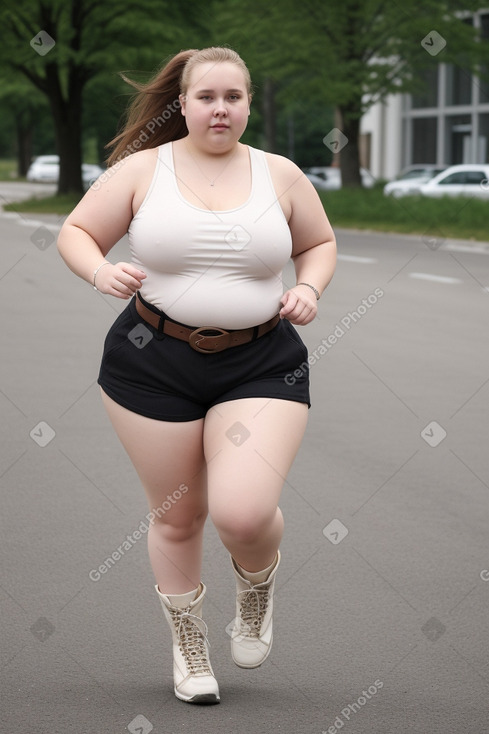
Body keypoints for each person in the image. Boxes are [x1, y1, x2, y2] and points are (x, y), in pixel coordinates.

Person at [57, 46, 336, 705]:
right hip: (150, 363)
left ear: (247, 103)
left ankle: (255, 581)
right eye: (206, 97)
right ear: (182, 103)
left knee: (242, 513)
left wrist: (309, 288)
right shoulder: (140, 171)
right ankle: (189, 651)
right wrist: (99, 270)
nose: (220, 108)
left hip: (262, 361)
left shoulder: (282, 175)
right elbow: (76, 231)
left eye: (232, 97)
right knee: (178, 516)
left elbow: (318, 244)